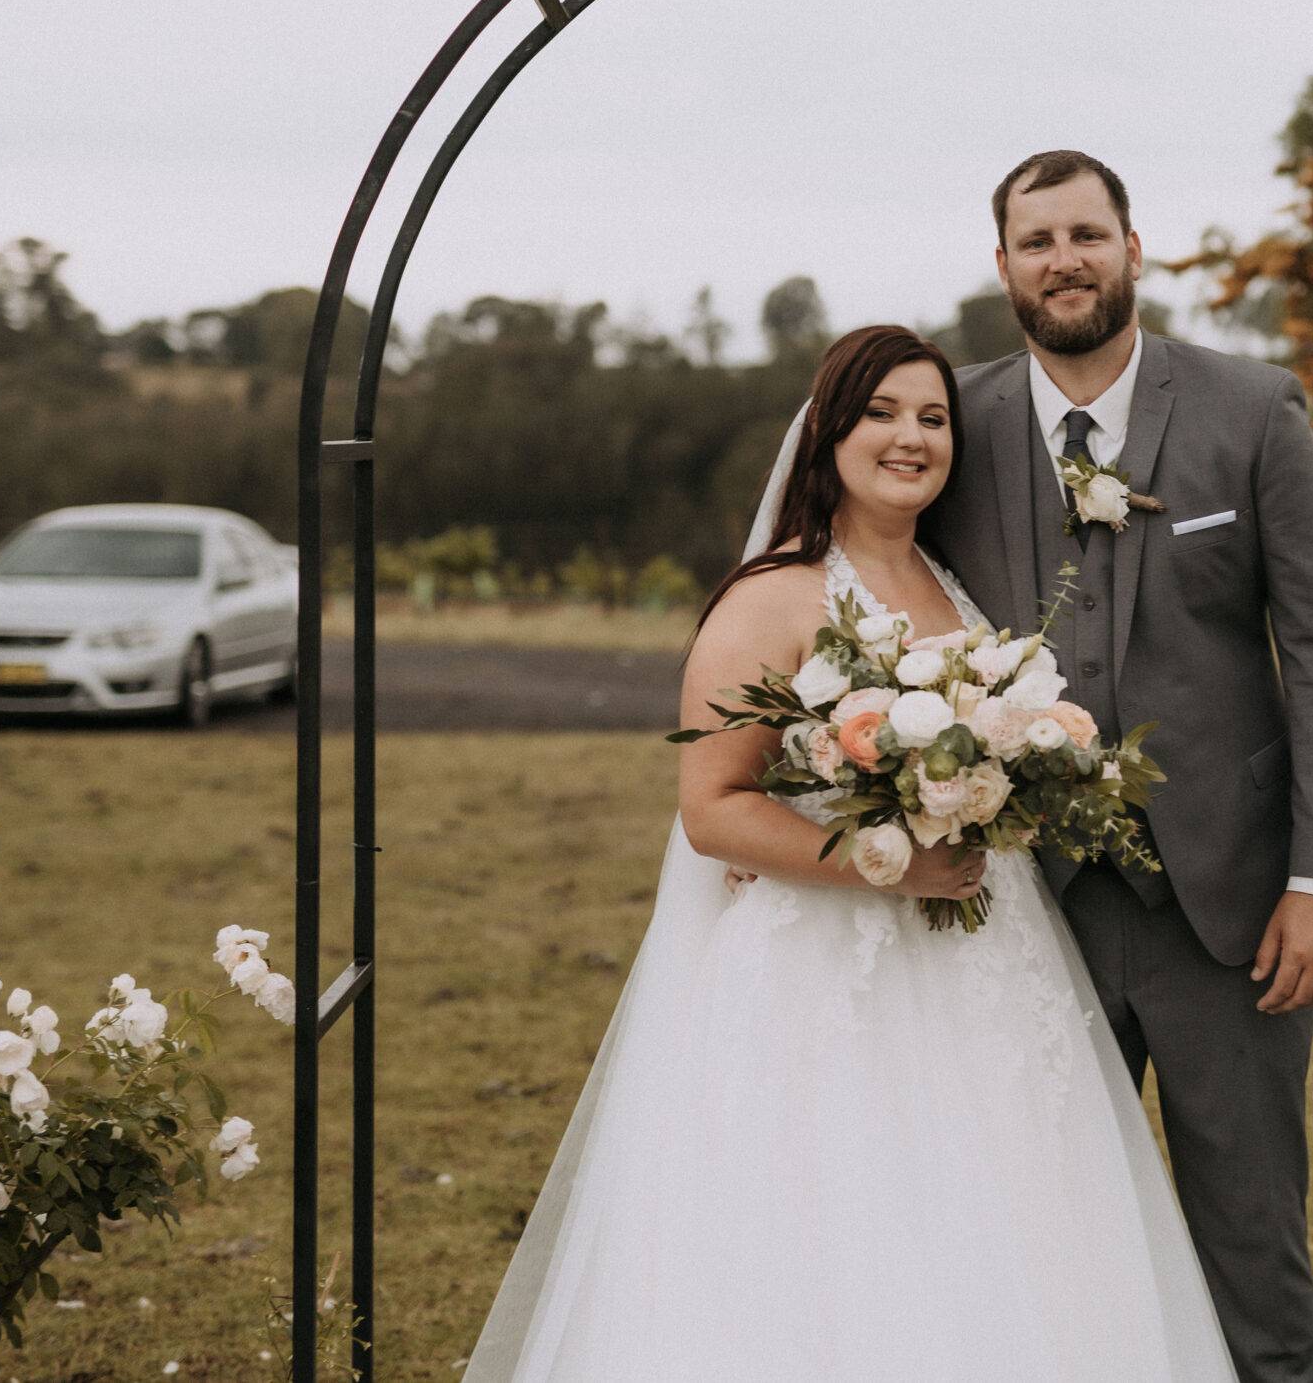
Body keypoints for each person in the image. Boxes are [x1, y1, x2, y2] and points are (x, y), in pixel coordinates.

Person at [460, 323, 1238, 1382]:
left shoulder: (954, 584)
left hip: (985, 959)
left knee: (1002, 1215)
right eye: (881, 413)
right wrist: (891, 863)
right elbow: (712, 808)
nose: (911, 437)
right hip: (823, 974)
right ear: (828, 432)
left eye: (933, 418)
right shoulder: (772, 595)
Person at [925, 149, 1313, 1383]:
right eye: (1036, 242)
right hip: (1023, 907)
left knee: (1249, 1239)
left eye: (1085, 234)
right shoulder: (949, 422)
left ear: (1132, 248)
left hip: (1230, 909)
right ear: (1004, 266)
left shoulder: (1253, 408)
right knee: (1038, 1233)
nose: (1062, 261)